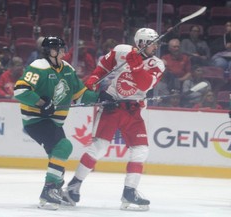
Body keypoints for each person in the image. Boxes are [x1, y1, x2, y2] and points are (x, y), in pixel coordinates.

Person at [63, 28, 165, 211]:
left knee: (141, 150)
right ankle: (73, 186)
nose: (156, 46)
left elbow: (144, 84)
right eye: (152, 43)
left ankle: (129, 192)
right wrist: (93, 83)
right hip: (113, 106)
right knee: (99, 148)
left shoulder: (157, 64)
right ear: (141, 43)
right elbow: (102, 69)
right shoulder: (121, 51)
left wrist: (136, 66)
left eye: (156, 42)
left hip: (135, 111)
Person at [13, 36, 98, 210]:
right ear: (50, 51)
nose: (63, 52)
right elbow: (20, 90)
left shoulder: (67, 69)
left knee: (58, 156)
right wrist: (42, 103)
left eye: (62, 49)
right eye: (59, 49)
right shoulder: (38, 67)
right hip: (36, 120)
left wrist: (100, 95)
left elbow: (80, 95)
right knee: (64, 147)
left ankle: (55, 187)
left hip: (53, 122)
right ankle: (49, 190)